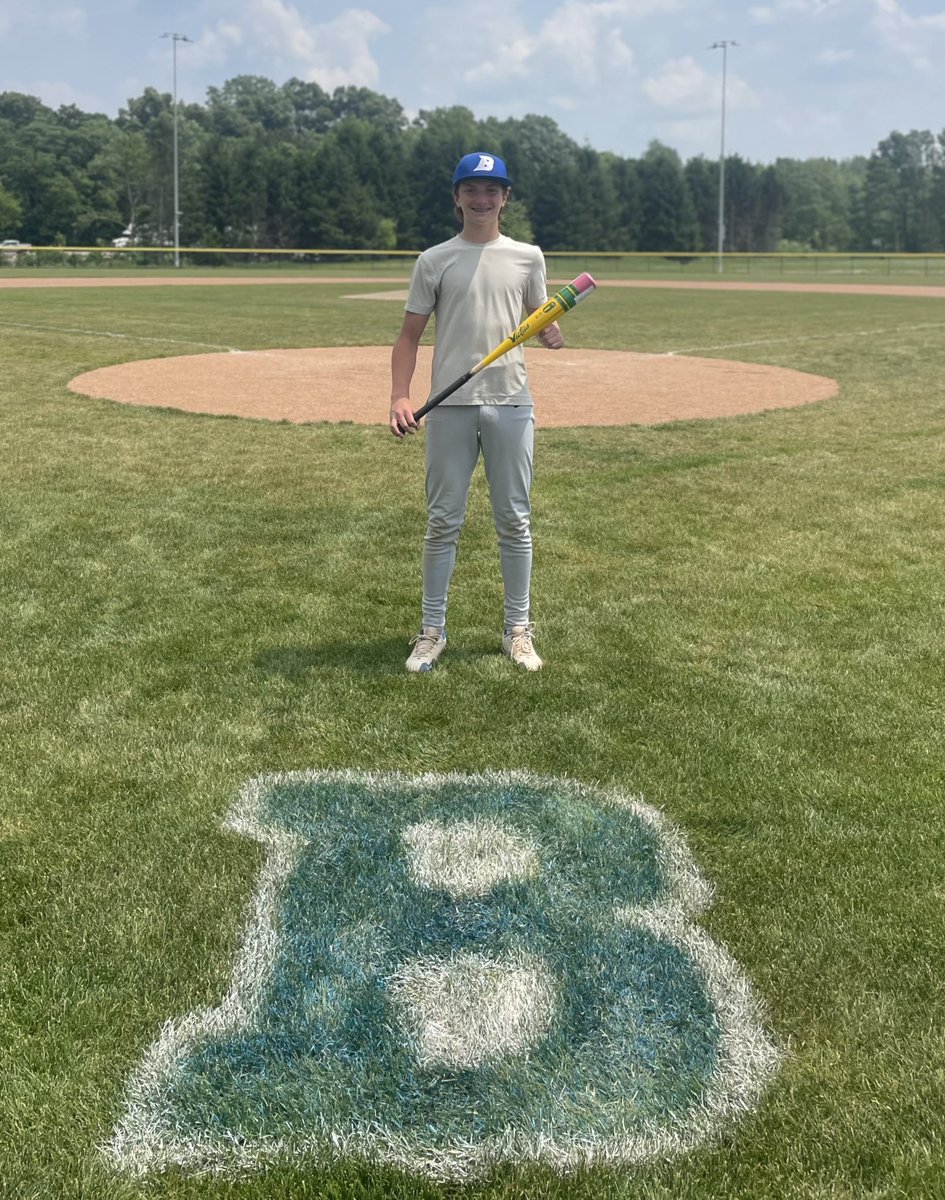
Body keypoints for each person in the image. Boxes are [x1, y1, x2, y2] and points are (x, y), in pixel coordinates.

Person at [389, 151, 564, 674]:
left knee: (515, 520)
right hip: (450, 406)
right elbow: (408, 336)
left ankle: (517, 630)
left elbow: (536, 318)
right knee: (443, 521)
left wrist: (550, 331)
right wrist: (400, 395)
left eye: (492, 190)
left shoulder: (528, 257)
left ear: (505, 198)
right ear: (457, 197)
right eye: (471, 189)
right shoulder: (434, 260)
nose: (481, 198)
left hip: (511, 401)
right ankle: (432, 630)